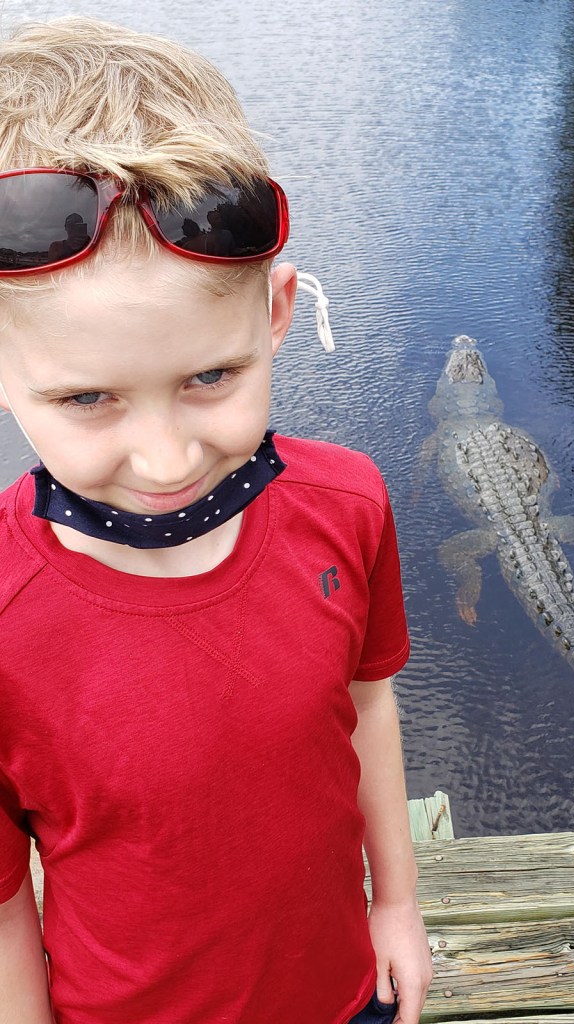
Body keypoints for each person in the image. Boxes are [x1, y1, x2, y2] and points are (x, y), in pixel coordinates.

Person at [0, 17, 433, 1024]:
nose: (165, 459)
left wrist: (400, 905)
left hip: (343, 996)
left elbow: (367, 711)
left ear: (275, 313)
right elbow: (7, 899)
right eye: (86, 399)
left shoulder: (350, 507)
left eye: (211, 377)